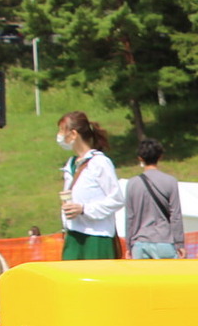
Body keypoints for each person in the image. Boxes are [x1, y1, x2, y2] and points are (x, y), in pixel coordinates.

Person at [57, 111, 122, 259]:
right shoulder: (71, 164)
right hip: (74, 233)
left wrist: (84, 209)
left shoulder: (99, 162)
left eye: (62, 130)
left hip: (97, 235)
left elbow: (117, 199)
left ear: (73, 134)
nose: (59, 136)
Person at [125, 137, 185, 259]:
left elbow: (130, 218)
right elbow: (176, 216)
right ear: (160, 156)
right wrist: (180, 243)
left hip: (139, 242)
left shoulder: (132, 183)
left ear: (140, 158)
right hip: (164, 240)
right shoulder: (170, 181)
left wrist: (128, 245)